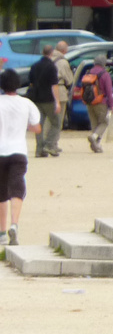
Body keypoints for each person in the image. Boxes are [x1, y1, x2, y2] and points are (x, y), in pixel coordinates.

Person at [0, 68, 41, 245]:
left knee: (1, 193)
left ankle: (1, 231)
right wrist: (24, 126)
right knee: (17, 187)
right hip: (19, 151)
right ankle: (14, 224)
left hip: (1, 151)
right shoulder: (27, 104)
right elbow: (36, 127)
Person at [26, 44, 59, 159]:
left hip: (36, 98)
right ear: (52, 53)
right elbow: (54, 86)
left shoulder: (35, 66)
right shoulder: (52, 66)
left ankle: (39, 150)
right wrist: (57, 102)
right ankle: (49, 144)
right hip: (49, 99)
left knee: (39, 123)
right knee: (56, 123)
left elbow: (31, 82)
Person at [80, 54, 113, 153]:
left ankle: (96, 145)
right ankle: (94, 137)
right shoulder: (105, 74)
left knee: (94, 124)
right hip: (101, 102)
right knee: (104, 122)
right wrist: (111, 105)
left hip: (89, 102)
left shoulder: (88, 72)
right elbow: (109, 91)